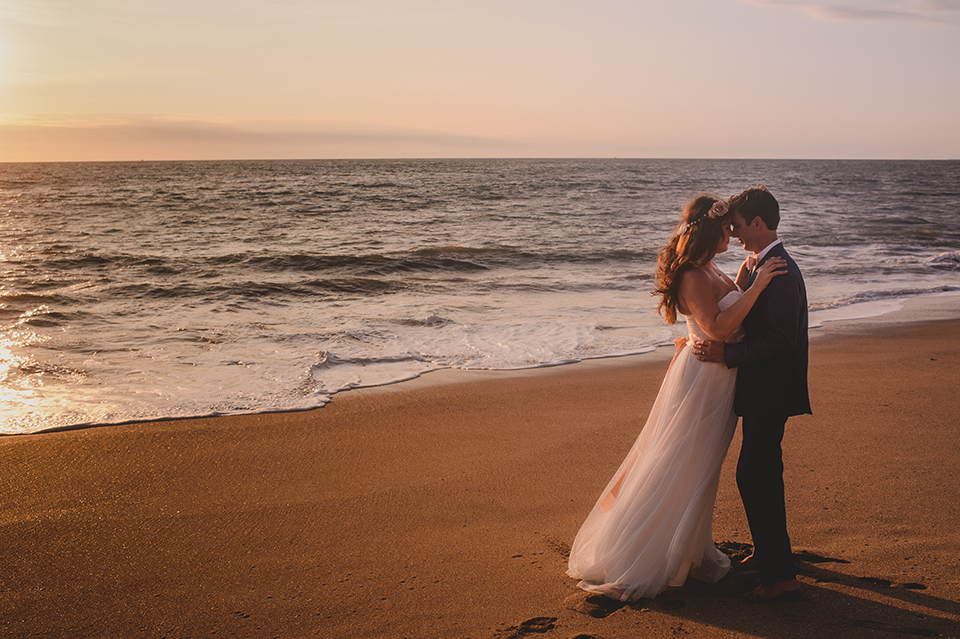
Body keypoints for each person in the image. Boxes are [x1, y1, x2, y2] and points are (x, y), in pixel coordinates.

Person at [566, 194, 786, 602]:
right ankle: (637, 551)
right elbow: (718, 329)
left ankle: (686, 549)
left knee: (700, 469)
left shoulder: (710, 267)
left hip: (717, 380)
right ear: (709, 231)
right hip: (702, 380)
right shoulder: (691, 275)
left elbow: (724, 303)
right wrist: (761, 286)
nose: (731, 234)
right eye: (726, 230)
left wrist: (744, 276)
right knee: (679, 463)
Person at [694, 185, 811, 602]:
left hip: (771, 389)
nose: (736, 233)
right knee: (762, 473)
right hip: (767, 388)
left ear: (758, 223)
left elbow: (781, 340)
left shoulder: (777, 269)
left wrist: (728, 352)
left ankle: (781, 577)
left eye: (739, 226)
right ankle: (768, 555)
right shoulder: (763, 263)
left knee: (755, 475)